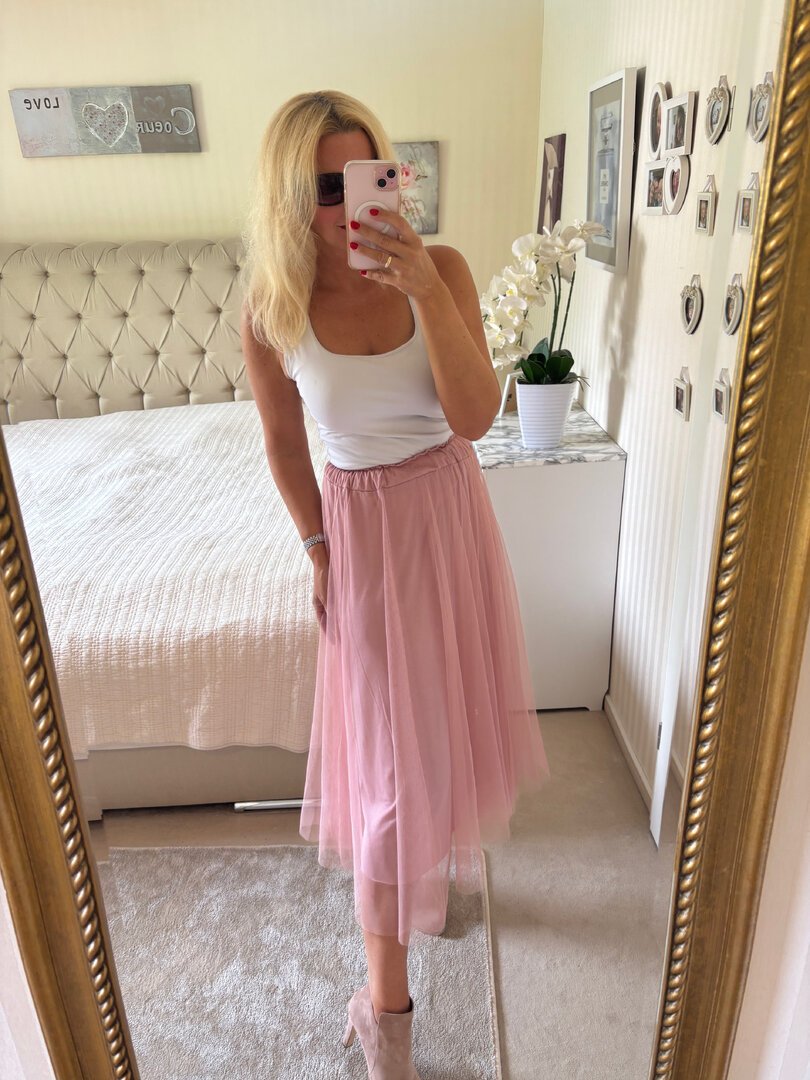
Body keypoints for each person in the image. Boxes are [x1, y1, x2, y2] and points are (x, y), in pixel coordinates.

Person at [240, 89, 550, 1077]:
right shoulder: (274, 308)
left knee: (445, 728)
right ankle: (389, 1010)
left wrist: (423, 290)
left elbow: (475, 417)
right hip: (364, 539)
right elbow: (283, 443)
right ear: (291, 195)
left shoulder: (442, 268)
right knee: (381, 777)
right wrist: (317, 548)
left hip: (449, 517)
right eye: (324, 186)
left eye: (365, 174)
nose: (346, 203)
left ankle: (431, 883)